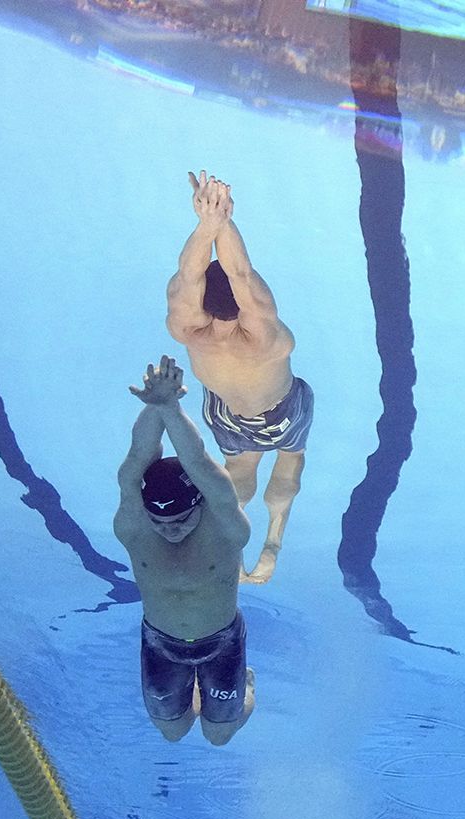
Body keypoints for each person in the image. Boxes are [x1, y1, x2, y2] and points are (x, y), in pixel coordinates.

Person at [167, 170, 311, 584]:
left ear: (200, 304)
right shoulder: (264, 335)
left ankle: (226, 543)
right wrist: (223, 221)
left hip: (224, 414)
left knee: (239, 475)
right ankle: (272, 546)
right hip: (279, 412)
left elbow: (187, 275)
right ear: (246, 305)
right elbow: (242, 273)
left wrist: (206, 226)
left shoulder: (188, 330)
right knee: (289, 462)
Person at [115, 356, 256, 746]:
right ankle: (195, 694)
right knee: (172, 732)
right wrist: (154, 405)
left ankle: (246, 687)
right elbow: (136, 462)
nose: (170, 530)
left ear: (201, 504)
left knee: (219, 735)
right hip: (161, 644)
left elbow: (197, 462)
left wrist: (171, 408)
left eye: (180, 520)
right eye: (159, 522)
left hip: (222, 643)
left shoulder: (227, 526)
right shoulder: (133, 527)